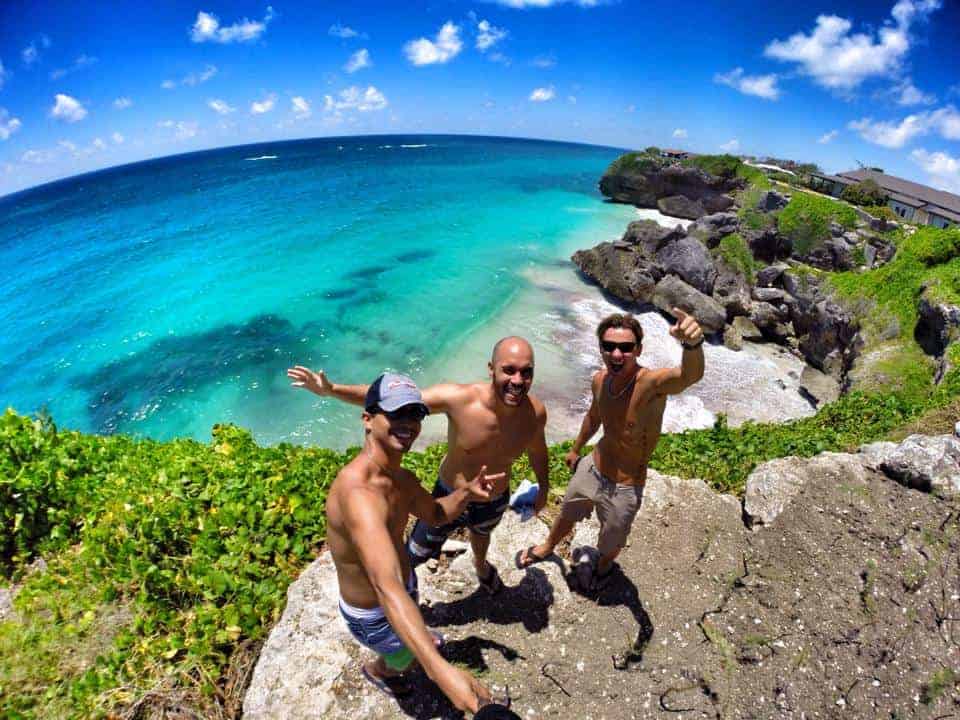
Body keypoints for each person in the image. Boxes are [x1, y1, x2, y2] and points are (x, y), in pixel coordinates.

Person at [289, 336, 550, 594]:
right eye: (509, 370)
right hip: (447, 495)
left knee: (481, 536)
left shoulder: (535, 413)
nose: (517, 381)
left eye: (526, 373)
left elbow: (538, 451)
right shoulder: (459, 399)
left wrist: (544, 490)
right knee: (416, 552)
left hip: (493, 498)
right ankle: (402, 591)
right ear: (491, 369)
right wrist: (331, 390)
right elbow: (392, 399)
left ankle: (480, 567)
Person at [325, 372, 501, 712]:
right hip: (374, 613)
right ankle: (380, 671)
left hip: (404, 589)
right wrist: (441, 671)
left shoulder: (400, 478)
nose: (408, 423)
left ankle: (406, 648)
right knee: (402, 656)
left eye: (415, 413)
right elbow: (384, 585)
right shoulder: (358, 494)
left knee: (411, 641)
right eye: (395, 413)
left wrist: (466, 493)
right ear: (367, 418)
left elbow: (435, 513)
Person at [517, 309, 704, 591]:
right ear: (601, 349)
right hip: (593, 466)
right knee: (567, 512)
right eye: (609, 346)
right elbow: (594, 416)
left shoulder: (652, 384)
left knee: (612, 540)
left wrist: (692, 344)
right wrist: (576, 449)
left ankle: (603, 567)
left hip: (626, 485)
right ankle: (547, 546)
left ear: (638, 349)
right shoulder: (599, 380)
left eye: (626, 348)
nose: (617, 354)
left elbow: (687, 376)